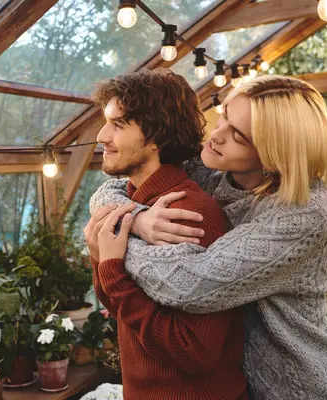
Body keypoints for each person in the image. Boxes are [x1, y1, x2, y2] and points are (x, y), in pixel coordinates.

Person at [87, 75, 327, 399]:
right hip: (239, 379)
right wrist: (139, 219)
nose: (216, 134)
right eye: (225, 115)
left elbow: (191, 285)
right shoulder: (214, 168)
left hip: (295, 385)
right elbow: (111, 189)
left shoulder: (304, 213)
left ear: (274, 155)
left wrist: (112, 248)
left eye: (238, 136)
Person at [84, 68, 248, 400]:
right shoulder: (129, 202)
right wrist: (100, 260)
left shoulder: (190, 214)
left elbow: (194, 352)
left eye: (117, 125)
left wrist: (112, 272)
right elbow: (120, 308)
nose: (102, 136)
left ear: (156, 136)